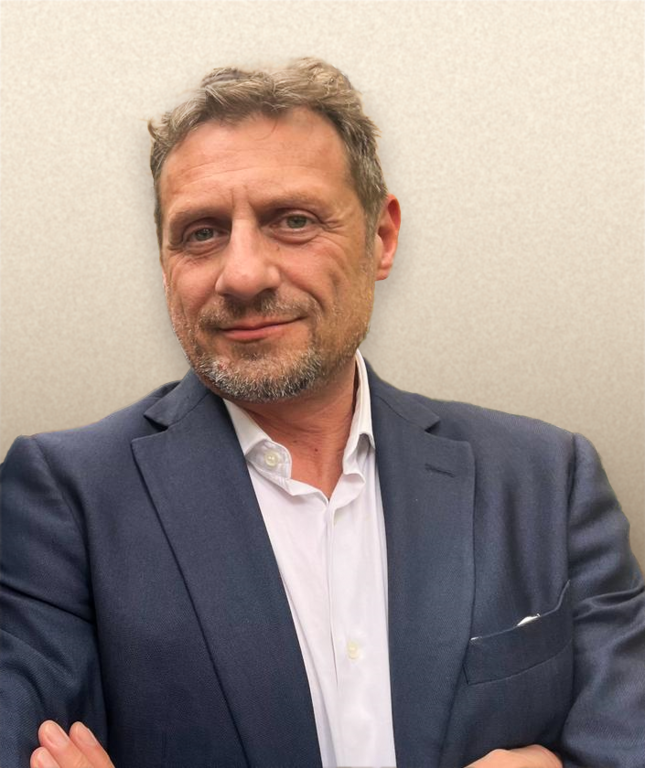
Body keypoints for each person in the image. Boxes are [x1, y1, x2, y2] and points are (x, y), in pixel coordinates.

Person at [1, 58, 643, 768]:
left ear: (381, 238)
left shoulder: (547, 479)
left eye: (294, 221)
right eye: (202, 233)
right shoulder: (63, 498)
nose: (243, 274)